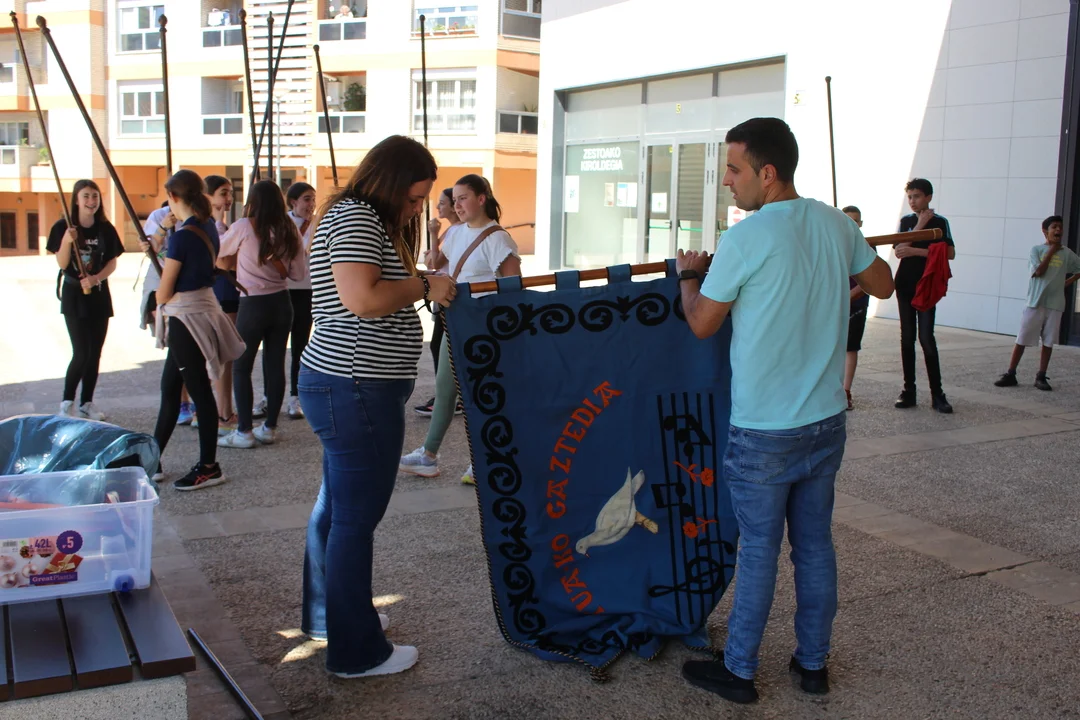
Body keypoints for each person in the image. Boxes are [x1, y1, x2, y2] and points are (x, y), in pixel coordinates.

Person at [675, 118, 894, 705]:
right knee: (815, 547)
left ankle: (741, 670)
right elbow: (882, 284)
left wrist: (689, 276)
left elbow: (702, 323)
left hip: (764, 431)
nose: (727, 180)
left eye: (734, 169)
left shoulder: (745, 239)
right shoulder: (835, 222)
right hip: (825, 421)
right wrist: (846, 252)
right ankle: (813, 664)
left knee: (759, 552)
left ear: (766, 173)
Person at [298, 135, 456, 679]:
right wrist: (426, 284)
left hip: (347, 384)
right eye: (414, 198)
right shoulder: (358, 217)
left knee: (337, 510)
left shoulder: (354, 216)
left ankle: (333, 618)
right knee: (354, 520)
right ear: (389, 183)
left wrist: (417, 278)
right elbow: (362, 298)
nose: (416, 209)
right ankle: (357, 651)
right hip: (355, 386)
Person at [399, 175, 521, 484]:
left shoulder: (498, 239)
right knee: (445, 388)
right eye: (454, 200)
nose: (457, 205)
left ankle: (483, 460)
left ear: (482, 198)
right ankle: (429, 454)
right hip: (455, 320)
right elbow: (442, 266)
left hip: (484, 327)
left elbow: (514, 289)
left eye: (463, 198)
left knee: (483, 394)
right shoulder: (455, 233)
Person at [150, 170, 245, 491]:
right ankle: (152, 458)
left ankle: (209, 466)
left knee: (199, 392)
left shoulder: (183, 236)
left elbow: (164, 292)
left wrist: (157, 295)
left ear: (174, 197)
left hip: (186, 318)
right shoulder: (206, 227)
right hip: (199, 311)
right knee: (170, 388)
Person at [217, 180, 304, 449]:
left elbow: (218, 252)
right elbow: (298, 273)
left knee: (242, 366)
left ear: (253, 202)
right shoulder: (290, 228)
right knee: (275, 364)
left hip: (252, 303)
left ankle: (244, 431)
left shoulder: (243, 226)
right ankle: (270, 428)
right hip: (282, 302)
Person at [46, 180, 124, 421]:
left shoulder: (105, 229)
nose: (92, 201)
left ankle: (86, 402)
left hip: (98, 294)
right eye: (86, 196)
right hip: (74, 295)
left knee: (95, 352)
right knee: (81, 351)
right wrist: (67, 241)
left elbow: (112, 262)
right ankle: (66, 403)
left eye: (95, 196)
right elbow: (62, 263)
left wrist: (96, 278)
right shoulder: (63, 227)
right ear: (77, 200)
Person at [994, 216, 1078, 391]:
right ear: (1045, 231)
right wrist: (1052, 251)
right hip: (1035, 302)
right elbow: (1038, 272)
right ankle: (1011, 373)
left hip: (1055, 304)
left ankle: (1041, 376)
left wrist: (1066, 283)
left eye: (1060, 227)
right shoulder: (1037, 250)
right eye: (1054, 227)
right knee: (1022, 338)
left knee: (1048, 341)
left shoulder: (1067, 253)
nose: (1058, 230)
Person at [893, 178, 955, 413]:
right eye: (910, 197)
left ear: (928, 197)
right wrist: (919, 225)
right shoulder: (906, 221)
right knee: (906, 338)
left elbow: (949, 253)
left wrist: (915, 251)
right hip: (905, 284)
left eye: (917, 196)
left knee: (926, 338)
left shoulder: (940, 222)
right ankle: (908, 391)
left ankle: (937, 394)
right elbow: (899, 249)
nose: (912, 201)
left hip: (926, 284)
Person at [142, 202, 196, 426]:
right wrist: (163, 228)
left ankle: (193, 398)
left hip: (187, 290)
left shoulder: (195, 219)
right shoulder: (158, 217)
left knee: (190, 349)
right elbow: (150, 250)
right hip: (163, 287)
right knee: (175, 346)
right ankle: (183, 402)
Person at [414, 187, 465, 417]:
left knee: (441, 345)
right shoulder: (452, 230)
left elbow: (434, 261)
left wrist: (433, 234)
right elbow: (432, 261)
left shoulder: (457, 230)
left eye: (443, 203)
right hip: (442, 291)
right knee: (440, 345)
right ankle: (447, 395)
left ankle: (448, 397)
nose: (438, 207)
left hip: (449, 292)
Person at [203, 175, 240, 434]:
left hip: (227, 292)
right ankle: (223, 412)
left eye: (230, 193)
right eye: (223, 193)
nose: (228, 198)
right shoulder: (207, 226)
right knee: (220, 355)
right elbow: (220, 261)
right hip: (217, 292)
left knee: (224, 354)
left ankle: (222, 410)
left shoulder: (223, 226)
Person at [285, 182, 317, 420]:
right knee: (275, 348)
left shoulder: (318, 223)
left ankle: (295, 397)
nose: (311, 204)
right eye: (307, 199)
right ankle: (269, 397)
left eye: (313, 199)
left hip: (307, 290)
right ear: (293, 202)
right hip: (282, 289)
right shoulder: (282, 223)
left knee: (300, 345)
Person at [842, 205, 871, 410]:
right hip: (834, 305)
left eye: (855, 221)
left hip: (856, 305)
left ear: (860, 224)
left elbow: (871, 281)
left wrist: (848, 297)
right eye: (847, 220)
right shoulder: (832, 245)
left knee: (850, 347)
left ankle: (846, 391)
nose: (852, 224)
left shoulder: (868, 247)